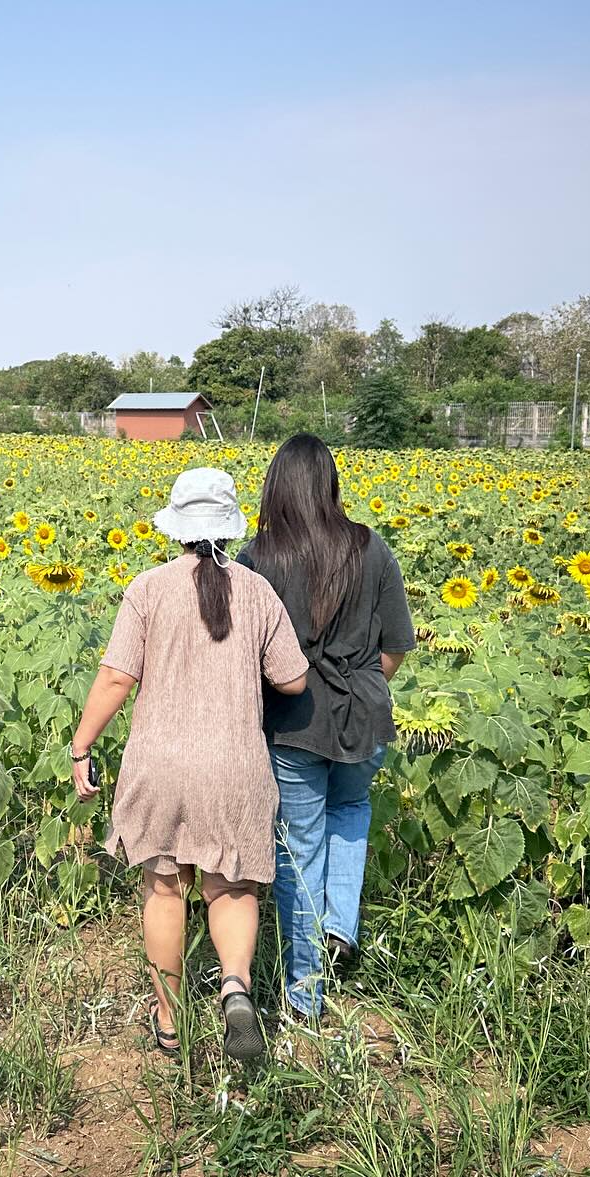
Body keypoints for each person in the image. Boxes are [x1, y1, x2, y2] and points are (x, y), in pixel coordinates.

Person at [70, 467, 309, 1062]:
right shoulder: (257, 591)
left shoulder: (147, 589)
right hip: (234, 765)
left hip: (161, 764)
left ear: (175, 527)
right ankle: (235, 988)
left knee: (164, 887)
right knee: (232, 887)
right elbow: (293, 678)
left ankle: (170, 1020)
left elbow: (117, 676)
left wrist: (81, 746)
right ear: (230, 529)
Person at [236, 435, 414, 1021]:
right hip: (364, 710)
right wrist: (361, 681)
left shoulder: (259, 557)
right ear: (331, 485)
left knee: (300, 846)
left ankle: (304, 996)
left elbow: (242, 651)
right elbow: (395, 647)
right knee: (351, 809)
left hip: (293, 721)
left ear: (275, 487)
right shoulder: (371, 547)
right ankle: (339, 924)